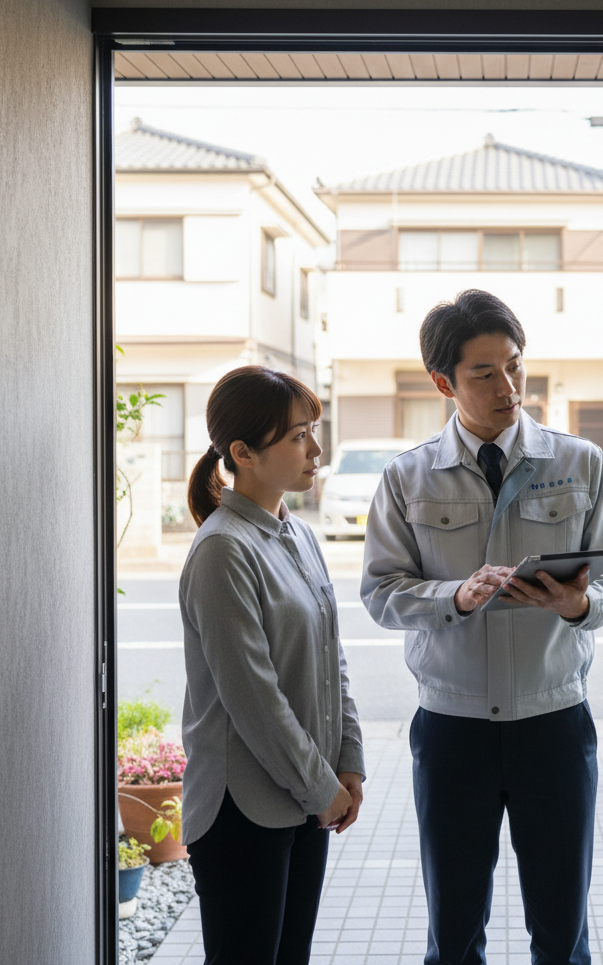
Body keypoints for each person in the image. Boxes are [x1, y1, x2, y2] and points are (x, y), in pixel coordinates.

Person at [361, 289, 603, 965]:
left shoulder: (580, 463)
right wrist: (455, 596)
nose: (508, 388)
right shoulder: (407, 477)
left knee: (563, 933)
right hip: (452, 728)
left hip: (554, 724)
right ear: (444, 383)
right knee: (453, 933)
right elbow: (381, 592)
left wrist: (578, 607)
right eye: (484, 373)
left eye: (514, 366)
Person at [179, 365, 365, 965]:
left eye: (313, 431)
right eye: (297, 437)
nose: (316, 450)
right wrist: (321, 787)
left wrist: (348, 762)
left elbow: (331, 658)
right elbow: (253, 698)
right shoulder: (223, 548)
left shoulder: (299, 534)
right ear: (243, 453)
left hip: (306, 795)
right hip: (242, 809)